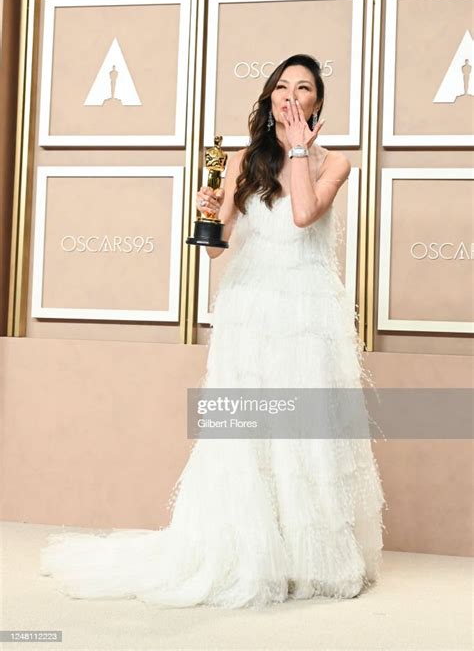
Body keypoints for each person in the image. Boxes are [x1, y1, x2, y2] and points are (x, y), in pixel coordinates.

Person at [40, 54, 387, 609]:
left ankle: (308, 559)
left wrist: (299, 148)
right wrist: (209, 208)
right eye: (281, 87)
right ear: (270, 98)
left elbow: (302, 214)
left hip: (306, 313)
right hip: (249, 306)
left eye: (303, 88)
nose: (290, 95)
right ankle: (250, 553)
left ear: (317, 102)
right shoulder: (241, 160)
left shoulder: (334, 162)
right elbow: (219, 238)